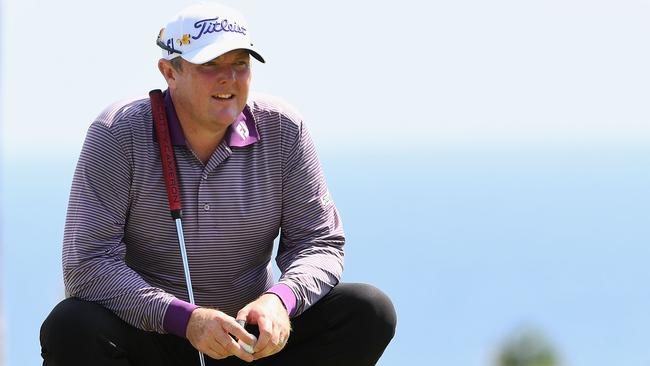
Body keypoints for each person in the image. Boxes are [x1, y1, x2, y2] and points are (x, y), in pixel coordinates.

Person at [39, 3, 396, 365]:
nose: (229, 78)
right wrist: (185, 319)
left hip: (250, 341)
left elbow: (319, 242)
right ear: (169, 72)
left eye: (240, 63)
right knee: (72, 325)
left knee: (367, 310)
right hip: (154, 337)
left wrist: (280, 301)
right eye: (210, 64)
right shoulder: (118, 133)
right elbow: (87, 264)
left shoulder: (284, 129)